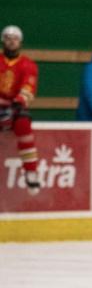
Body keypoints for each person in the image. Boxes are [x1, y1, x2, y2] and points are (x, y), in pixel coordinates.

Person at [0, 25, 41, 194]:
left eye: (15, 39)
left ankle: (31, 172)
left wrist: (18, 101)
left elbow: (28, 87)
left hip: (14, 108)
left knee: (24, 125)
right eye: (8, 38)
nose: (11, 42)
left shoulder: (28, 65)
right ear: (3, 40)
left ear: (20, 42)